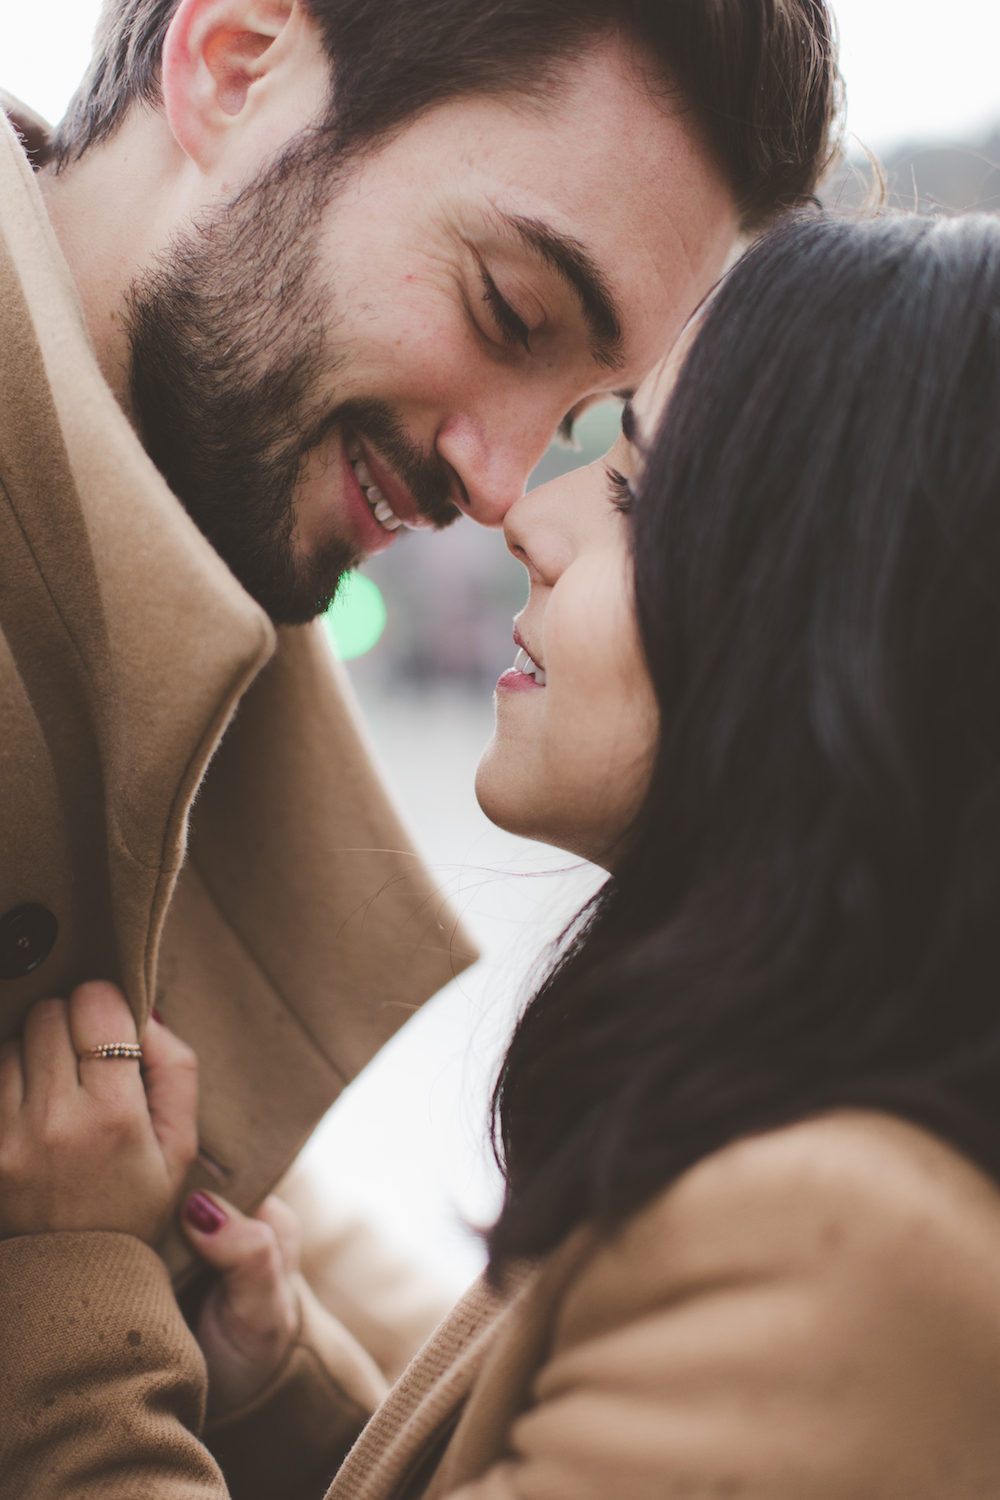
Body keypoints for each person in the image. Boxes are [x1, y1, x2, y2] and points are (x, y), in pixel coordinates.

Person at [7, 205, 1000, 1496]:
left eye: (639, 490)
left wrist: (72, 1301)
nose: (526, 519)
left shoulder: (849, 1257)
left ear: (832, 632)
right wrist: (283, 1393)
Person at [0, 0, 840, 1335]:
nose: (502, 484)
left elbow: (229, 1214)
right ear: (232, 68)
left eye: (576, 419)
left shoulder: (204, 597)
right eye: (510, 311)